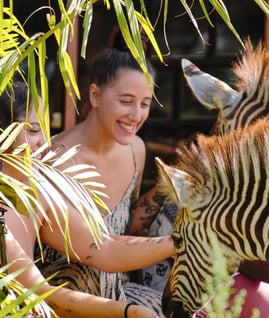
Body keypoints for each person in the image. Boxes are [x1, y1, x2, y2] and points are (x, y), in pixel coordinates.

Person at [33, 28, 177, 316]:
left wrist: (171, 187)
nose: (136, 116)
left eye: (145, 104)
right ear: (95, 95)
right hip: (62, 300)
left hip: (119, 290)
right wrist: (184, 240)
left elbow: (129, 228)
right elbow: (103, 250)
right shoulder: (53, 161)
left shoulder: (135, 148)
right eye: (126, 101)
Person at [0, 80, 174, 317]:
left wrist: (178, 242)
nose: (45, 142)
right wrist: (129, 312)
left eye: (45, 128)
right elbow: (41, 295)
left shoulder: (37, 185)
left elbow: (104, 247)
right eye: (33, 130)